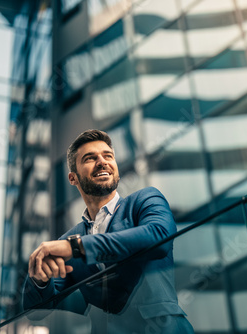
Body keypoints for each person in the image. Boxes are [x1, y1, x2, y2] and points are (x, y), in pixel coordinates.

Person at [22, 129, 194, 333]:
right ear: (73, 178)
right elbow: (36, 313)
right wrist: (40, 280)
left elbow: (159, 236)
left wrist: (78, 248)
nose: (102, 162)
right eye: (90, 158)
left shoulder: (145, 200)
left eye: (108, 156)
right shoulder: (68, 239)